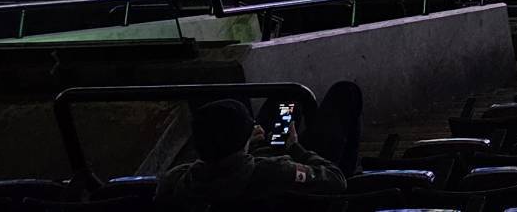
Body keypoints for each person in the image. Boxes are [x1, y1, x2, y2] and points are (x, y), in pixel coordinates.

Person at [155, 89, 362, 208]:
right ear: (242, 139)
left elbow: (218, 167)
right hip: (302, 174)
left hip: (257, 156)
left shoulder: (174, 181)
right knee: (345, 93)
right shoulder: (276, 171)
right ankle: (356, 171)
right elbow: (336, 179)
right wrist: (295, 147)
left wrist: (248, 147)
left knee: (284, 103)